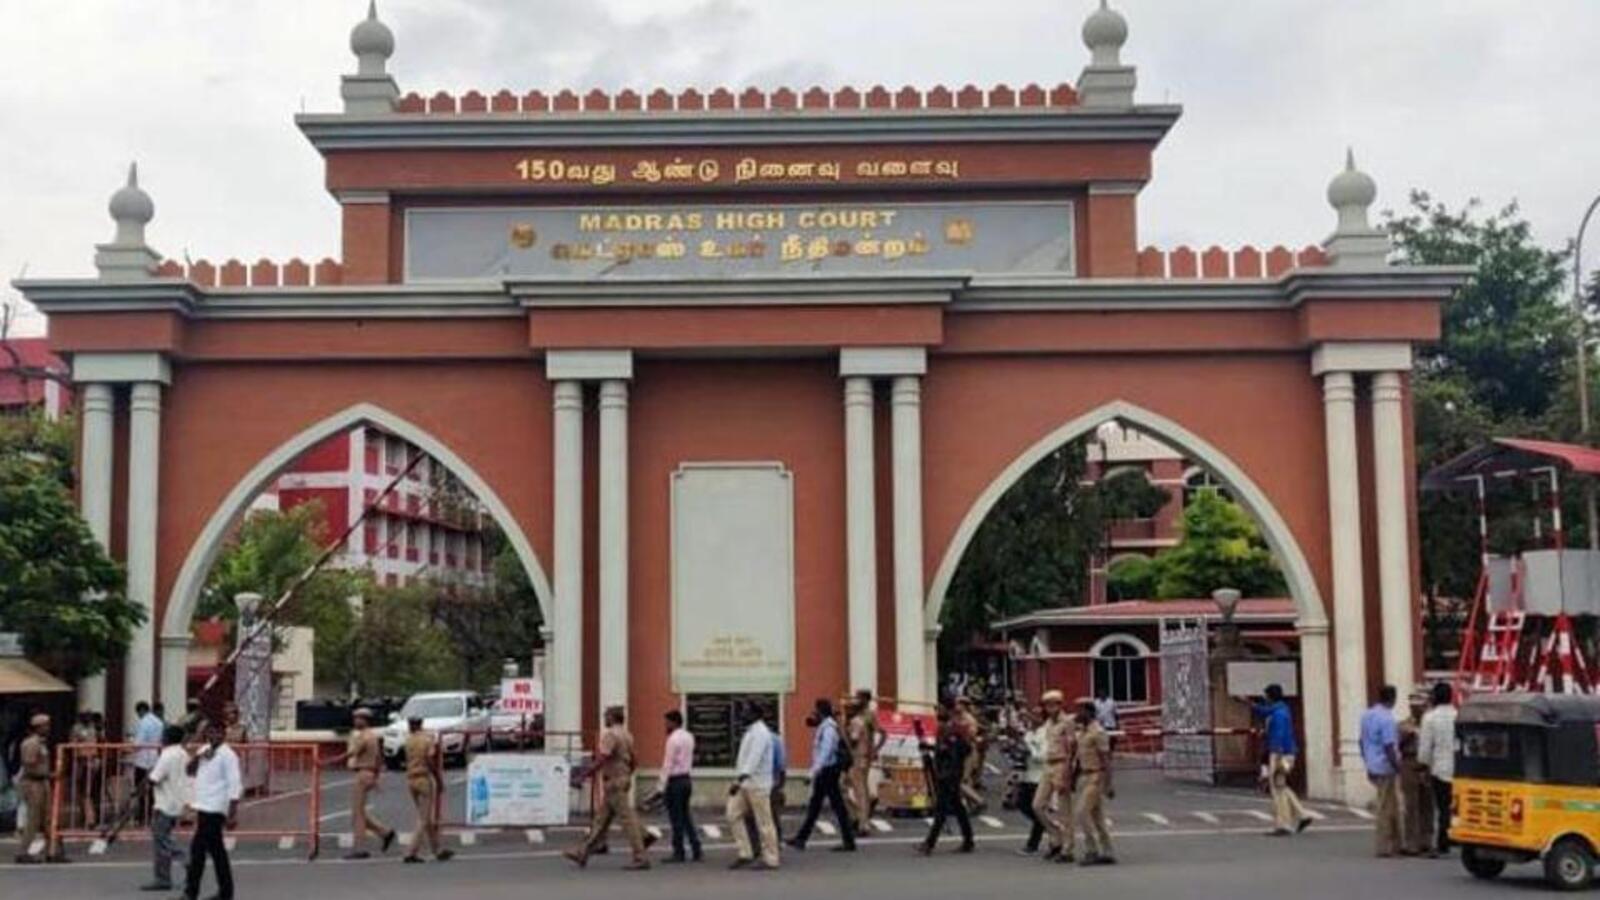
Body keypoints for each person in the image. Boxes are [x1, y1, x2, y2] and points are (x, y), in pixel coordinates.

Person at [565, 705, 650, 870]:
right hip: (622, 779)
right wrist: (626, 775)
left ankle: (640, 855)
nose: (604, 718)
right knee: (601, 820)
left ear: (612, 717)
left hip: (613, 782)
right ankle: (582, 852)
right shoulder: (627, 734)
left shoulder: (610, 735)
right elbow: (634, 760)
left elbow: (602, 758)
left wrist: (584, 774)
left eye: (606, 716)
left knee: (627, 820)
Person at [788, 698, 857, 852]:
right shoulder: (825, 726)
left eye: (816, 710)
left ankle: (848, 841)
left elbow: (825, 753)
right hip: (826, 771)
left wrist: (812, 772)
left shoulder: (829, 729)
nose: (814, 714)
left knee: (835, 807)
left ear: (820, 711)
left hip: (828, 771)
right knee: (817, 806)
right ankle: (801, 839)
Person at [181, 722, 240, 900]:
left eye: (217, 732)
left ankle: (192, 892)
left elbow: (234, 784)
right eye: (211, 732)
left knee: (199, 850)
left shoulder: (228, 755)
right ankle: (225, 892)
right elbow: (189, 770)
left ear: (223, 734)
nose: (214, 736)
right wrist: (200, 757)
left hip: (215, 808)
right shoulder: (204, 750)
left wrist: (232, 813)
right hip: (203, 805)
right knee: (215, 852)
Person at [1251, 684, 1312, 836]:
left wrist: (1276, 756)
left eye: (1265, 696)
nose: (1264, 699)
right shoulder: (1281, 710)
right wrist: (1250, 704)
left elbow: (1278, 735)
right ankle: (1301, 814)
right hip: (1286, 752)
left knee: (1276, 788)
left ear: (1270, 697)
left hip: (1280, 753)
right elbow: (1263, 711)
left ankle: (1283, 824)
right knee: (1281, 785)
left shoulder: (1278, 714)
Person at [726, 703, 780, 870]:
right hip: (746, 784)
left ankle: (771, 858)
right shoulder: (750, 731)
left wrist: (739, 780)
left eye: (746, 712)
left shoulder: (761, 733)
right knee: (732, 814)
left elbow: (753, 760)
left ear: (756, 714)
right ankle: (745, 853)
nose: (742, 715)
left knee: (764, 822)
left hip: (758, 784)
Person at [915, 705, 974, 855]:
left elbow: (953, 753)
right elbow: (943, 749)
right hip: (945, 772)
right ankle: (968, 840)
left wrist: (947, 774)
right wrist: (929, 747)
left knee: (941, 809)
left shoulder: (952, 730)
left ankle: (929, 843)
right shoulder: (946, 729)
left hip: (949, 774)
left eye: (940, 710)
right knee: (958, 807)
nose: (937, 713)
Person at [341, 708, 396, 860]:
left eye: (358, 718)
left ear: (365, 720)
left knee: (357, 814)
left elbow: (352, 753)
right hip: (369, 773)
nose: (355, 721)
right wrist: (375, 777)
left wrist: (327, 761)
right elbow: (378, 758)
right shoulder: (373, 736)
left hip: (362, 773)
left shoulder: (364, 737)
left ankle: (360, 848)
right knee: (359, 812)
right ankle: (384, 833)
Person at [144, 724, 190, 892]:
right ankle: (162, 878)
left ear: (168, 738)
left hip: (164, 802)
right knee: (161, 840)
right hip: (176, 800)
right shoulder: (183, 753)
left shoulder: (167, 754)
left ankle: (187, 860)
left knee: (162, 840)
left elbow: (155, 778)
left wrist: (147, 780)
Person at [1360, 685, 1403, 858]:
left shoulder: (1367, 715)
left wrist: (1367, 761)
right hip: (1385, 766)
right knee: (1386, 807)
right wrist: (1397, 767)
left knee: (1389, 804)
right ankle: (1385, 845)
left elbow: (1361, 741)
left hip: (1372, 763)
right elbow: (1389, 746)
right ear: (1393, 698)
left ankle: (1395, 842)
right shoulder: (1388, 719)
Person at [401, 716, 452, 864]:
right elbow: (430, 761)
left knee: (426, 817)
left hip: (411, 779)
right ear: (421, 725)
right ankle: (410, 852)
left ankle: (437, 850)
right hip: (423, 779)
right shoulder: (427, 740)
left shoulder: (408, 740)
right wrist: (438, 779)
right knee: (423, 819)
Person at [1072, 699, 1116, 865]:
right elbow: (1079, 758)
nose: (1077, 713)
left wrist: (1109, 784)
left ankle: (1092, 850)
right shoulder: (1083, 732)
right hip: (1084, 776)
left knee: (1081, 813)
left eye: (1080, 710)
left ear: (1089, 712)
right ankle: (1108, 851)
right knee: (1097, 817)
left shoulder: (1098, 732)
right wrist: (1074, 778)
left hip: (1095, 777)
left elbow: (1106, 760)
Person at [1416, 681, 1458, 857]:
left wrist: (1422, 764)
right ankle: (1455, 836)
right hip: (1458, 767)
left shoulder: (1430, 718)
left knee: (1442, 807)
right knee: (1455, 805)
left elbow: (1426, 746)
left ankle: (1443, 841)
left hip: (1439, 767)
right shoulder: (1459, 715)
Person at [1031, 690, 1074, 862]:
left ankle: (1067, 848)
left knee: (1065, 810)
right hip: (1048, 764)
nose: (1050, 708)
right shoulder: (1048, 723)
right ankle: (1056, 836)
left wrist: (1068, 772)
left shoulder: (1067, 722)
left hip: (1061, 764)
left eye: (1053, 704)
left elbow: (1072, 748)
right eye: (1047, 705)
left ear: (1060, 705)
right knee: (1037, 805)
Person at [14, 713, 61, 864]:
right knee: (33, 820)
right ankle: (23, 852)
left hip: (42, 783)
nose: (48, 728)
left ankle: (52, 851)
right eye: (45, 725)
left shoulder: (41, 743)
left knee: (49, 819)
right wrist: (49, 774)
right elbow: (29, 766)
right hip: (33, 783)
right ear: (38, 727)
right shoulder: (31, 744)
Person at [658, 709, 702, 863]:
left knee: (676, 818)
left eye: (667, 722)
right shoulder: (689, 737)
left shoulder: (672, 740)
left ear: (673, 722)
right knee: (686, 816)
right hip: (686, 779)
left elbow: (668, 764)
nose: (665, 725)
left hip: (675, 781)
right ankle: (696, 848)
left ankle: (679, 851)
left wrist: (660, 787)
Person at [845, 690, 885, 837]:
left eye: (859, 697)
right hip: (857, 756)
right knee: (851, 788)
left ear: (866, 699)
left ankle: (863, 822)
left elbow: (881, 733)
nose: (856, 700)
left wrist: (875, 749)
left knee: (860, 790)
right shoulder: (858, 716)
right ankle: (860, 816)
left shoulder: (868, 715)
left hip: (861, 756)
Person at [1397, 691, 1432, 856]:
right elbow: (1397, 744)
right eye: (1413, 707)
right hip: (1409, 761)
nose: (1416, 710)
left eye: (1419, 706)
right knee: (1411, 804)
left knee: (1427, 804)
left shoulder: (1430, 723)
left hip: (1427, 763)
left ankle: (1426, 840)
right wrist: (1407, 735)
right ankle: (1411, 843)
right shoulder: (1403, 725)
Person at [1014, 706, 1048, 855]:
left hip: (1040, 775)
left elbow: (1043, 756)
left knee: (1036, 807)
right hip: (1028, 774)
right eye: (1032, 715)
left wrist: (1030, 750)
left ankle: (1033, 843)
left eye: (1037, 716)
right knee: (1022, 804)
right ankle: (1046, 824)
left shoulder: (1045, 734)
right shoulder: (1029, 733)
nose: (1033, 718)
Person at [131, 700, 164, 824]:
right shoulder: (159, 722)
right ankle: (151, 815)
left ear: (141, 711)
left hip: (142, 760)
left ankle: (142, 816)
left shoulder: (143, 722)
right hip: (154, 758)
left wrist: (131, 746)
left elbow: (138, 742)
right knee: (152, 789)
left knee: (140, 787)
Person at [953, 697, 986, 813]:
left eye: (958, 704)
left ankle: (978, 801)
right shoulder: (958, 717)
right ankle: (972, 805)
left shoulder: (968, 719)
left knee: (962, 780)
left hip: (968, 752)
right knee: (967, 781)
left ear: (964, 706)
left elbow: (971, 736)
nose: (956, 706)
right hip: (961, 751)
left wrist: (960, 729)